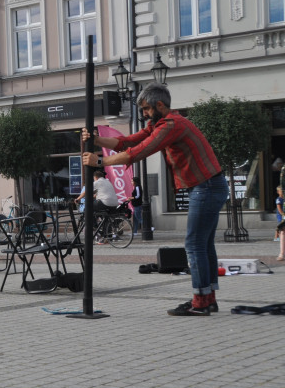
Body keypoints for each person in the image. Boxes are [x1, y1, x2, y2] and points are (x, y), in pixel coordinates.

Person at [83, 82, 227, 316]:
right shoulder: (161, 124)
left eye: (146, 109)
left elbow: (138, 152)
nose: (144, 114)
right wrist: (97, 141)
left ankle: (201, 303)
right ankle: (207, 298)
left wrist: (99, 162)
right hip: (209, 186)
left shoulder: (172, 125)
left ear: (160, 105)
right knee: (203, 244)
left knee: (194, 244)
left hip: (206, 186)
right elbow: (127, 141)